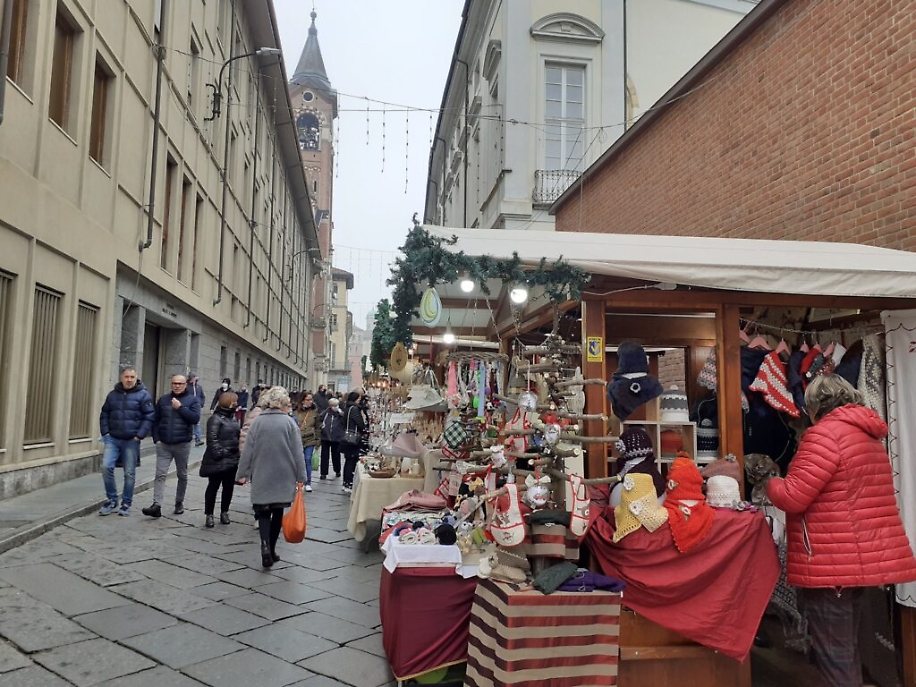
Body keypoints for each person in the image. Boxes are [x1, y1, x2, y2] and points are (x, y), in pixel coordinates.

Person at [766, 374, 916, 687]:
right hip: (857, 562)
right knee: (848, 651)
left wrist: (772, 481)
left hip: (830, 562)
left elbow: (793, 497)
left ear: (815, 407)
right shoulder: (868, 436)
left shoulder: (824, 436)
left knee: (835, 657)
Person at [236, 387, 305, 568]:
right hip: (284, 474)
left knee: (263, 512)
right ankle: (272, 549)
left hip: (261, 472)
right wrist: (301, 476)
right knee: (277, 512)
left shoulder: (258, 422)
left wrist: (242, 473)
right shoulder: (290, 423)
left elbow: (248, 450)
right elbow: (298, 453)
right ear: (283, 403)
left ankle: (265, 546)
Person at [98, 367, 155, 516]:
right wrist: (106, 432)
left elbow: (149, 416)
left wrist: (140, 435)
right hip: (113, 439)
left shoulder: (143, 395)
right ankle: (112, 499)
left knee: (129, 473)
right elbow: (104, 413)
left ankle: (126, 503)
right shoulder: (112, 395)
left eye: (132, 377)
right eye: (126, 377)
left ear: (136, 378)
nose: (129, 380)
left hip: (131, 440)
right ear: (121, 378)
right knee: (106, 467)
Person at [143, 374, 201, 518]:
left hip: (182, 444)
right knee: (160, 474)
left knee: (182, 474)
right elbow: (155, 420)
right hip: (164, 444)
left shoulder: (192, 400)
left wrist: (180, 408)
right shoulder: (163, 400)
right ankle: (156, 505)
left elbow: (195, 419)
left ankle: (179, 502)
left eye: (180, 383)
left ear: (185, 385)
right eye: (174, 383)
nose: (177, 386)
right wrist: (156, 438)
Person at [199, 391, 240, 528]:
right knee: (213, 487)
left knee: (228, 488)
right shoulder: (215, 419)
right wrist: (221, 453)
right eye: (235, 402)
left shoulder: (233, 419)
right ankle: (209, 514)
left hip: (232, 460)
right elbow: (212, 440)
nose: (236, 404)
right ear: (228, 402)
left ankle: (224, 512)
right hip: (218, 460)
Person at [341, 391, 366, 493]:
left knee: (348, 460)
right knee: (351, 460)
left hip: (347, 437)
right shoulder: (354, 409)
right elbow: (360, 423)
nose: (360, 400)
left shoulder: (348, 408)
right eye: (358, 398)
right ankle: (348, 483)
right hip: (353, 438)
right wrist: (363, 428)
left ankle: (346, 482)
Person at [296, 392, 320, 492]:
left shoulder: (315, 412)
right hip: (298, 439)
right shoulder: (296, 411)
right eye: (308, 400)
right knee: (297, 461)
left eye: (311, 400)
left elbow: (318, 427)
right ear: (302, 400)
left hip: (310, 439)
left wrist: (318, 441)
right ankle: (297, 482)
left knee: (308, 460)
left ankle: (308, 482)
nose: (310, 402)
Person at [319, 397, 343, 480]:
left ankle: (337, 470)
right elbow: (320, 420)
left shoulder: (340, 414)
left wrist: (341, 414)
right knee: (324, 455)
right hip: (325, 437)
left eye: (337, 405)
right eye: (334, 405)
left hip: (336, 437)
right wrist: (321, 426)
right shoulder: (325, 413)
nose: (336, 407)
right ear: (330, 406)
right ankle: (323, 473)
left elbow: (344, 421)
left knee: (336, 455)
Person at [188, 373, 206, 446]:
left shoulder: (198, 387)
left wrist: (201, 403)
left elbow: (202, 396)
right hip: (188, 407)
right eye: (194, 378)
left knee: (197, 423)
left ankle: (198, 439)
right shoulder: (187, 387)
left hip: (197, 407)